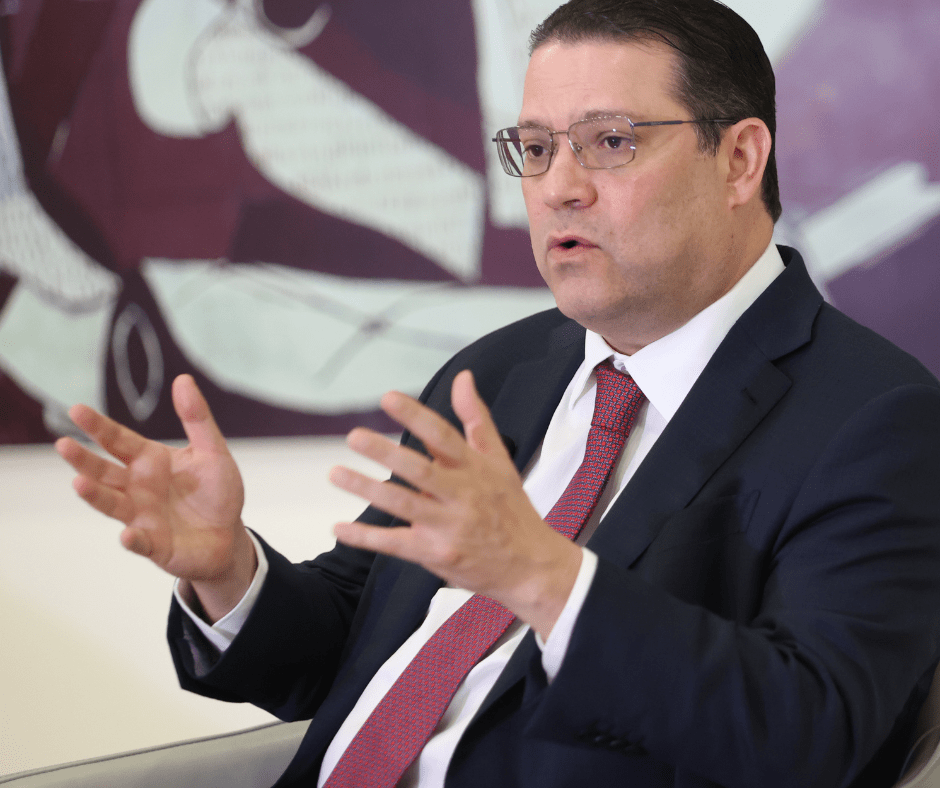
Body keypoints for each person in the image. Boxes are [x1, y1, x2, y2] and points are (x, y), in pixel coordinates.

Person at [55, 1, 940, 786]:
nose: (558, 189)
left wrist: (542, 578)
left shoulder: (876, 420)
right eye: (537, 149)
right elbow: (357, 645)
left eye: (611, 142)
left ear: (739, 159)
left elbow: (815, 736)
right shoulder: (498, 372)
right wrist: (227, 571)